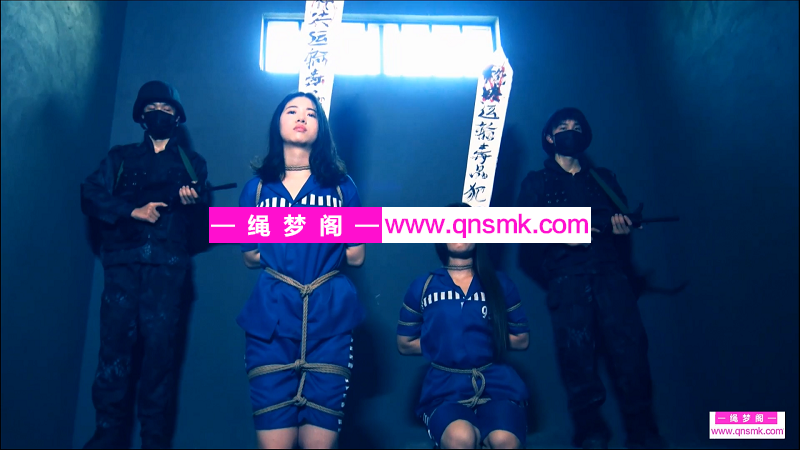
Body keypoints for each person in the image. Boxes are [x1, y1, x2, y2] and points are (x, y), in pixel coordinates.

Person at [516, 108, 667, 449]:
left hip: (611, 276)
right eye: (562, 127)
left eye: (576, 127)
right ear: (549, 136)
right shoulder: (536, 182)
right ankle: (591, 434)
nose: (570, 131)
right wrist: (558, 235)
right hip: (567, 279)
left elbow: (623, 218)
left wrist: (622, 227)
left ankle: (643, 433)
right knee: (577, 361)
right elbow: (522, 227)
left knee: (632, 356)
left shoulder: (604, 178)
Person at [80, 80, 209, 449]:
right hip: (122, 269)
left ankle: (154, 442)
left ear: (177, 118)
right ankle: (106, 438)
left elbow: (201, 228)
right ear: (141, 117)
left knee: (159, 360)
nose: (160, 114)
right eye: (153, 109)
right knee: (112, 356)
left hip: (167, 272)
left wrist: (192, 204)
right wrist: (132, 211)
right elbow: (90, 193)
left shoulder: (192, 163)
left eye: (168, 110)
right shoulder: (120, 158)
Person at [237, 92, 366, 449]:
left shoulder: (342, 187)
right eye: (292, 111)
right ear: (277, 123)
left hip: (329, 317)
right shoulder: (256, 189)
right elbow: (249, 256)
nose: (301, 117)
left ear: (320, 128)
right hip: (271, 320)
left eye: (311, 113)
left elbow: (357, 256)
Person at [397, 203, 531, 450]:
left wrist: (483, 339)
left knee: (505, 441)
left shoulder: (500, 284)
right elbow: (404, 344)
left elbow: (522, 339)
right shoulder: (423, 286)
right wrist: (445, 343)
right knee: (462, 438)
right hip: (444, 387)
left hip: (496, 383)